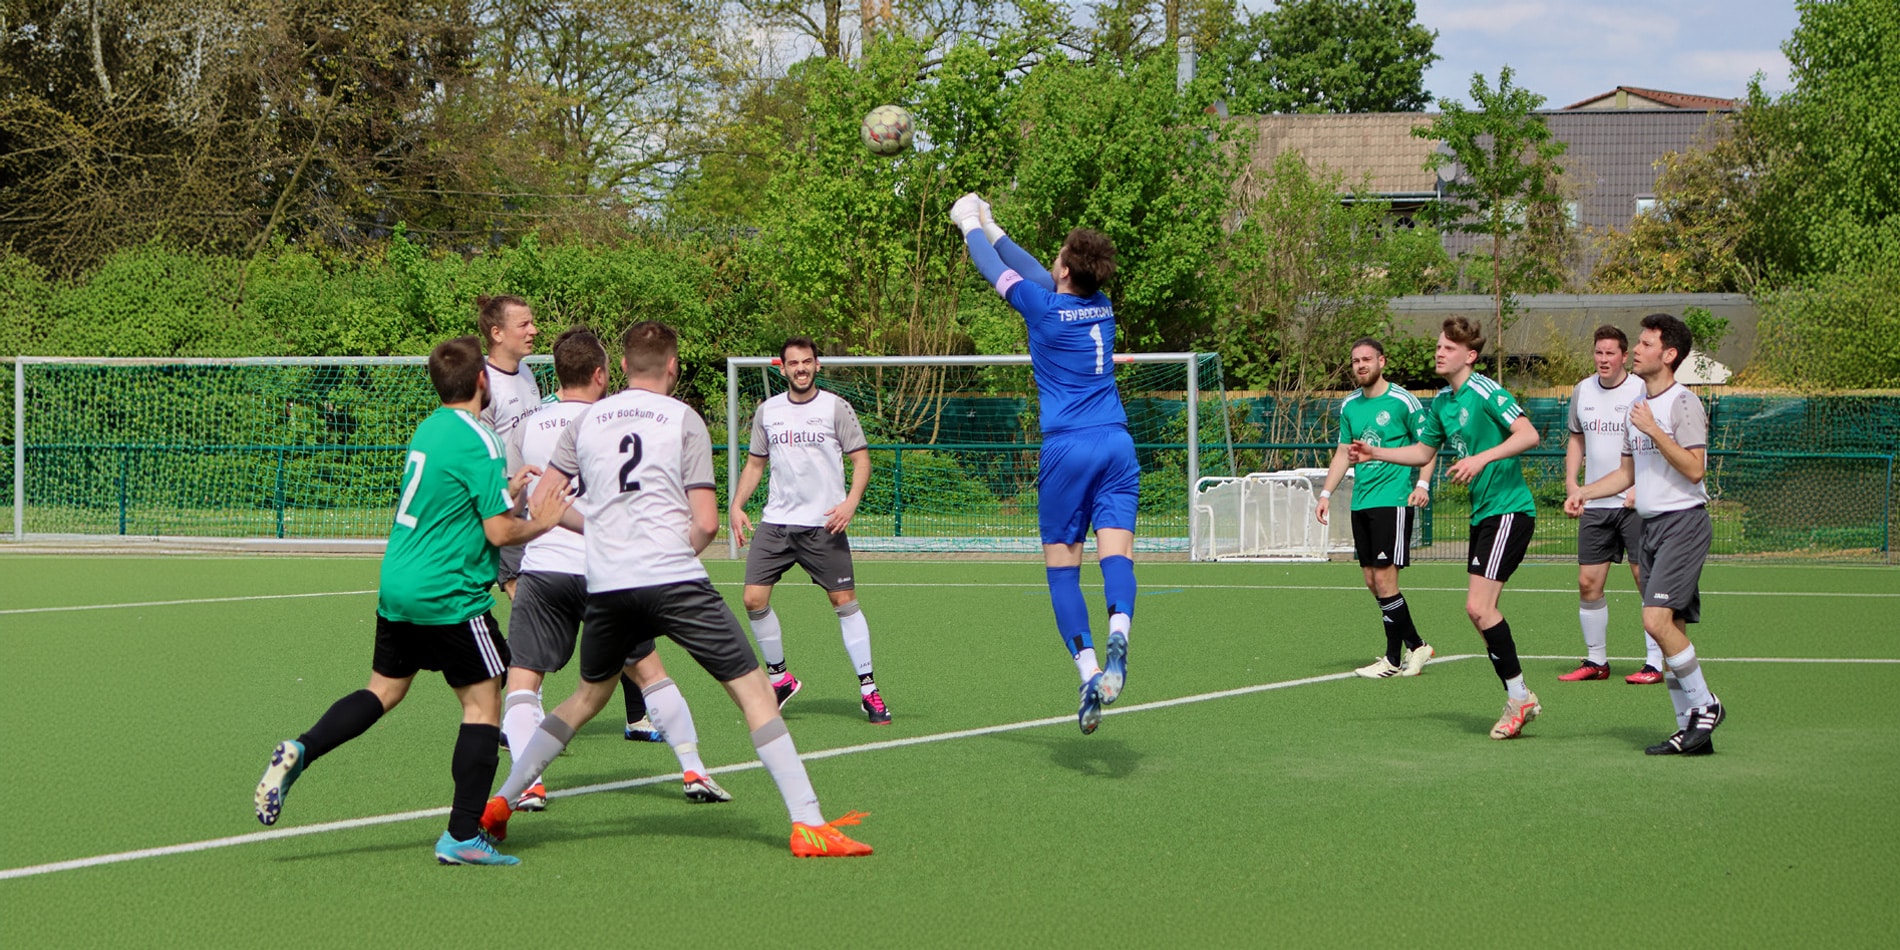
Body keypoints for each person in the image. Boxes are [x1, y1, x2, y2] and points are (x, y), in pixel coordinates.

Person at [480, 321, 872, 858]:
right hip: (671, 575)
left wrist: (600, 532)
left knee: (587, 697)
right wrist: (665, 549)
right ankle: (808, 823)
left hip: (609, 582)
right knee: (756, 694)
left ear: (619, 368)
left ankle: (501, 801)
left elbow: (546, 500)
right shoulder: (683, 418)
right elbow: (707, 524)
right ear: (673, 366)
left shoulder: (589, 421)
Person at [253, 335, 572, 866]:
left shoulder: (430, 428)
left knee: (383, 690)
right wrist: (543, 520)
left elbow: (456, 502)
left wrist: (506, 489)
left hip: (399, 583)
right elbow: (496, 534)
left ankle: (302, 749)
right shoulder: (483, 437)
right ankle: (463, 835)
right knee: (484, 702)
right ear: (481, 381)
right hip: (447, 593)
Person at [500, 326, 731, 810]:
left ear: (556, 373)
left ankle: (527, 786)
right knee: (649, 673)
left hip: (544, 568)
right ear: (603, 374)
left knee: (524, 681)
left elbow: (517, 501)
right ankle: (693, 768)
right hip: (609, 570)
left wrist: (510, 569)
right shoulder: (621, 418)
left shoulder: (526, 427)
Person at [952, 193, 1137, 735]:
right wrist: (992, 223)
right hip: (1118, 445)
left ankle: (1088, 671)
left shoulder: (1045, 309)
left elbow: (998, 271)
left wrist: (969, 226)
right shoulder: (1100, 305)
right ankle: (1119, 629)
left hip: (1068, 448)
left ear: (1065, 269)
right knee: (1116, 554)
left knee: (1062, 568)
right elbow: (1036, 270)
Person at [1350, 316, 1543, 740]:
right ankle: (1520, 695)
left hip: (1510, 510)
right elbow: (1422, 451)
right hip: (1485, 515)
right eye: (1438, 346)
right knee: (1478, 612)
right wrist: (1373, 451)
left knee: (1479, 608)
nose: (1439, 352)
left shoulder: (1486, 391)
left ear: (1469, 356)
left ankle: (1519, 699)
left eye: (1449, 348)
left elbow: (1529, 435)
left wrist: (1482, 457)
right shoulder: (1441, 402)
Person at [1565, 313, 1725, 755]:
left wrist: (1654, 428)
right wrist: (1584, 492)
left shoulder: (1681, 403)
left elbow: (1695, 470)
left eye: (1646, 344)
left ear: (1668, 355)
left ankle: (1706, 705)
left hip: (1682, 524)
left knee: (1654, 620)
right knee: (1667, 627)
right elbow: (1625, 473)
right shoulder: (1640, 408)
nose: (1636, 350)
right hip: (1652, 527)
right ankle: (1691, 732)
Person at [728, 336, 887, 724]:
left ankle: (869, 690)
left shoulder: (836, 407)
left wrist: (850, 503)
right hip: (777, 523)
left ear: (817, 365)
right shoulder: (768, 411)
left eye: (807, 362)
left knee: (844, 603)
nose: (800, 368)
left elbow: (861, 460)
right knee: (752, 599)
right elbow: (754, 464)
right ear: (781, 368)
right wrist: (735, 504)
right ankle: (780, 679)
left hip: (823, 525)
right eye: (793, 363)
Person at [1316, 338, 1438, 679]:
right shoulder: (1350, 405)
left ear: (1382, 361)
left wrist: (1422, 484)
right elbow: (1343, 452)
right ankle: (1416, 645)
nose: (1361, 365)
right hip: (1363, 501)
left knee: (1385, 579)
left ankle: (1392, 659)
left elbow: (1428, 444)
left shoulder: (1402, 400)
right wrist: (1326, 493)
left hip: (1393, 500)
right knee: (1372, 580)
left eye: (1367, 359)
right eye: (1355, 360)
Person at [1559, 326, 1668, 684]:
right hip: (1596, 504)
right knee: (1588, 582)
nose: (1603, 359)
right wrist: (1573, 484)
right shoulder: (1582, 390)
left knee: (1645, 581)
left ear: (1624, 356)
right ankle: (1596, 661)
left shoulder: (1641, 390)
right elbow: (1576, 439)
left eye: (1611, 353)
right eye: (1598, 353)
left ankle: (1654, 662)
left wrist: (1640, 485)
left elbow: (1656, 442)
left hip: (1637, 504)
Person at [477, 294, 543, 601]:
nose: (534, 330)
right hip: (507, 511)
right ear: (497, 333)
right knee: (528, 603)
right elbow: (478, 457)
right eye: (524, 324)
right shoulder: (483, 385)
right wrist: (507, 493)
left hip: (535, 506)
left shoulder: (527, 373)